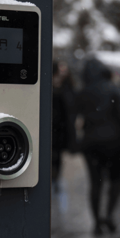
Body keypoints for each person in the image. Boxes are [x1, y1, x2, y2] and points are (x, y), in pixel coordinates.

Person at [75, 58, 120, 235]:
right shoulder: (113, 89)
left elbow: (74, 115)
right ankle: (109, 214)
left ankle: (96, 221)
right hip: (113, 142)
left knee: (95, 183)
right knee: (116, 180)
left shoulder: (83, 92)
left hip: (90, 143)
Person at [51, 61, 75, 210]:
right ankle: (54, 179)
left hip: (58, 130)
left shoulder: (64, 87)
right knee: (55, 156)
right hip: (56, 129)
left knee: (56, 156)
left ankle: (55, 179)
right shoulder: (58, 89)